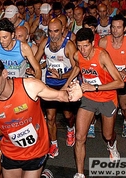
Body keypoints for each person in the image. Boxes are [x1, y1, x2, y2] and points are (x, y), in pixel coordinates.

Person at [0, 57, 82, 178]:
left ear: (4, 74)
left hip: (36, 151)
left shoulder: (29, 86)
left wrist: (72, 95)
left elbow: (60, 96)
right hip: (11, 152)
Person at [64, 28, 124, 178]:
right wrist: (67, 84)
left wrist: (95, 87)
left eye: (86, 46)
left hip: (107, 98)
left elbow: (120, 83)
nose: (82, 50)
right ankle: (80, 173)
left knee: (107, 134)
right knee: (79, 137)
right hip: (89, 98)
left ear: (93, 43)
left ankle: (112, 146)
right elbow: (78, 66)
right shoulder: (78, 55)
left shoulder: (102, 55)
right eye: (79, 46)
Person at [34, 18, 78, 158]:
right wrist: (34, 69)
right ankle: (54, 144)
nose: (53, 35)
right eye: (50, 31)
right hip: (50, 83)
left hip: (66, 82)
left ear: (63, 29)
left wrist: (62, 76)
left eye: (56, 31)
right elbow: (35, 61)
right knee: (50, 117)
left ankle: (71, 128)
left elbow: (77, 67)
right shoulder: (45, 43)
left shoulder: (69, 45)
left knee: (67, 115)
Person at [98, 14, 126, 138]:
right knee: (109, 106)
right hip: (108, 80)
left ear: (125, 28)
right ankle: (108, 131)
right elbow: (98, 59)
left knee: (124, 105)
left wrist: (125, 71)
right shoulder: (104, 42)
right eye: (113, 27)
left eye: (119, 27)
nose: (115, 30)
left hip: (122, 80)